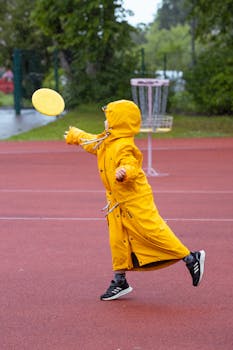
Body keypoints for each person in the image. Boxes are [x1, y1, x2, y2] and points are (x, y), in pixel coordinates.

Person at [64, 99, 206, 301]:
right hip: (116, 201)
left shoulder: (124, 146)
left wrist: (125, 172)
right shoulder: (107, 140)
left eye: (108, 119)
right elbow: (92, 143)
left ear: (118, 123)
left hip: (135, 198)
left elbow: (131, 163)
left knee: (152, 230)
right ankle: (120, 280)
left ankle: (191, 258)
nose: (105, 123)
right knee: (117, 239)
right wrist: (75, 135)